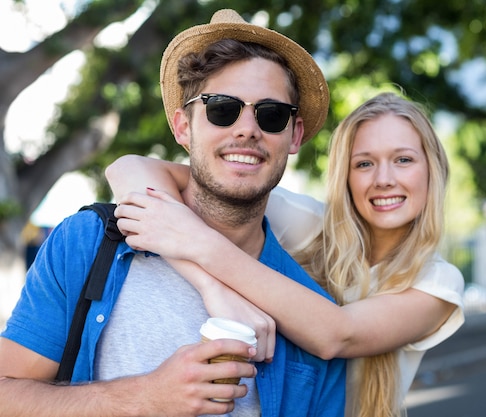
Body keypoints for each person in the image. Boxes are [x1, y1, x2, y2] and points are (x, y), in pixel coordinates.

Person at [0, 8, 346, 417]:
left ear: (295, 135)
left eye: (271, 115)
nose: (247, 129)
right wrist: (144, 397)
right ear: (183, 127)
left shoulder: (310, 315)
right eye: (222, 108)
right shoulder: (87, 242)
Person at [107, 92, 465, 417]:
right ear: (345, 176)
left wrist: (198, 242)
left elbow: (337, 334)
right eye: (364, 164)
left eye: (403, 160)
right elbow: (128, 169)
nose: (384, 179)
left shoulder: (438, 282)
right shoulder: (312, 226)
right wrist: (209, 285)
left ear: (432, 170)